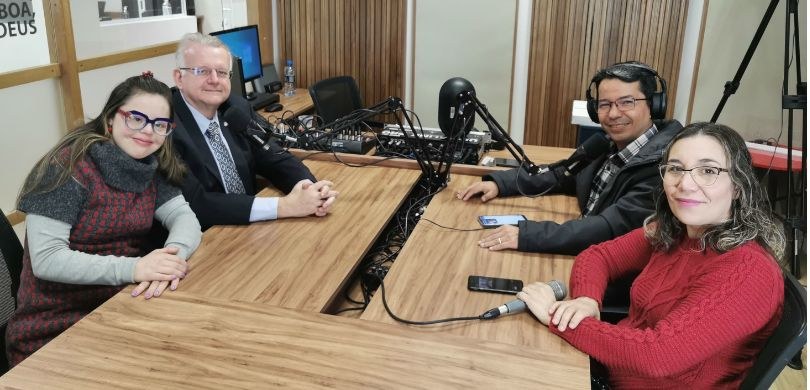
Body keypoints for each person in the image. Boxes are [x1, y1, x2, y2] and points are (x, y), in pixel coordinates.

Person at [518, 122, 786, 388]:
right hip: (608, 370)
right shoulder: (676, 229)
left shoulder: (749, 270)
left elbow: (657, 355)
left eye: (708, 170)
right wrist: (587, 300)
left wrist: (557, 317)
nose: (686, 184)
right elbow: (599, 256)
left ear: (738, 186)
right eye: (676, 169)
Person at [6, 73, 202, 366]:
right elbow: (47, 259)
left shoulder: (150, 163)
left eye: (160, 125)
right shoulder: (68, 166)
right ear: (111, 118)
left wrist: (172, 259)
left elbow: (183, 217)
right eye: (136, 118)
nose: (147, 132)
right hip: (54, 328)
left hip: (121, 306)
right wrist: (136, 267)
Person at [457, 61, 683, 255]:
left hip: (615, 277)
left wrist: (527, 234)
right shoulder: (608, 144)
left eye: (626, 102)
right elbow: (564, 174)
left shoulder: (663, 169)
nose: (613, 114)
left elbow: (608, 229)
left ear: (654, 105)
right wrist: (500, 184)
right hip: (586, 249)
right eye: (605, 105)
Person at [170, 32, 337, 230]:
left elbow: (274, 156)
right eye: (203, 71)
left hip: (249, 230)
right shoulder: (165, 125)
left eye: (222, 72)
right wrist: (284, 206)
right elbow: (197, 204)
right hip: (203, 239)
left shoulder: (236, 108)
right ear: (179, 77)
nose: (214, 80)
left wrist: (309, 190)